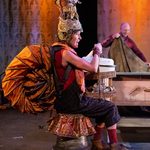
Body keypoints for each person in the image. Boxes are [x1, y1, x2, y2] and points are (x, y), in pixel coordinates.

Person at [50, 1, 127, 149]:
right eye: (78, 35)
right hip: (73, 103)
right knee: (110, 107)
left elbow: (74, 70)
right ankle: (113, 145)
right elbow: (92, 67)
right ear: (69, 35)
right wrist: (97, 51)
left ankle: (98, 142)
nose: (80, 38)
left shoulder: (59, 50)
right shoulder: (65, 53)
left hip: (68, 100)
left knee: (103, 107)